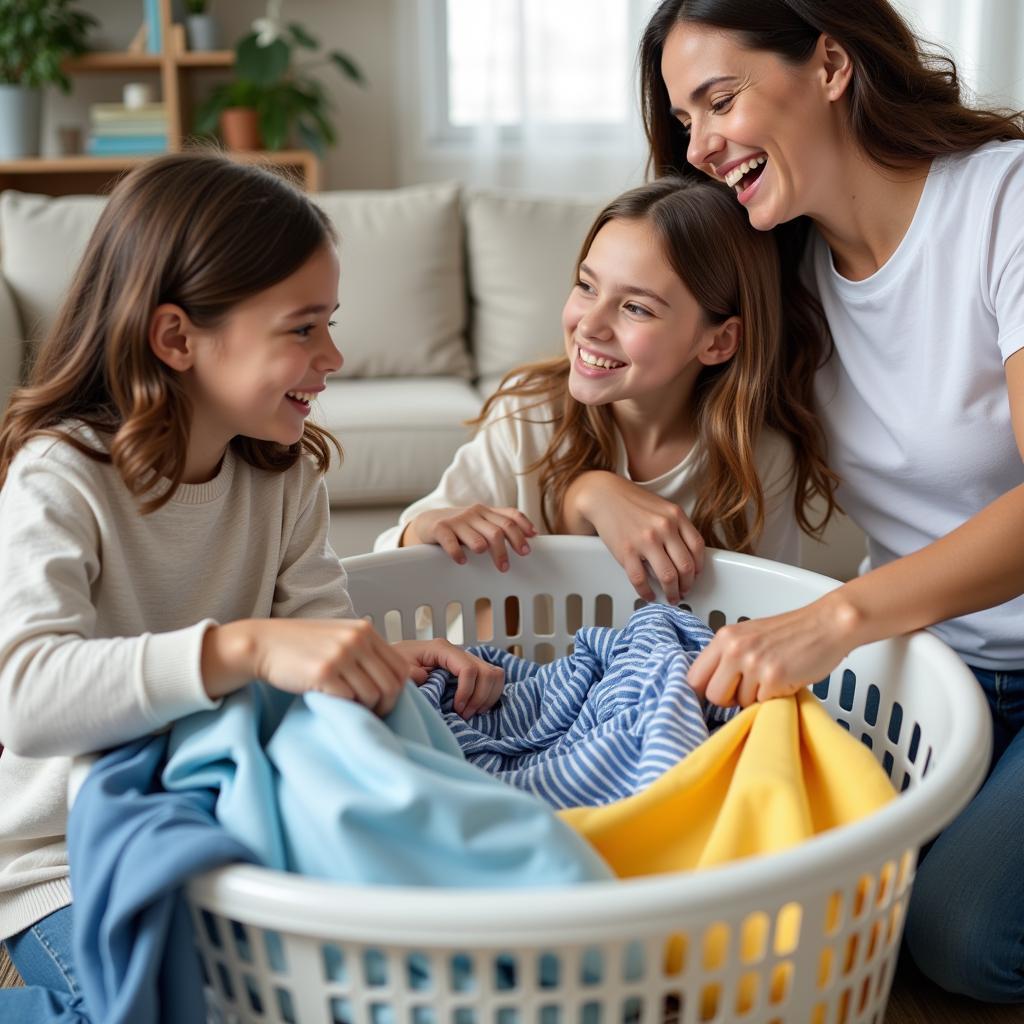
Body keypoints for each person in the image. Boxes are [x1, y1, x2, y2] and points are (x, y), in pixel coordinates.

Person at [0, 152, 503, 1017]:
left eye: (329, 324)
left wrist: (377, 662)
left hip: (234, 828)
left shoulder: (282, 476)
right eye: (303, 328)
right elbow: (29, 697)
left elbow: (312, 649)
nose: (334, 355)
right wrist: (243, 646)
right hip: (67, 858)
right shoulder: (61, 477)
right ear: (177, 338)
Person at [636, 0, 1024, 1004]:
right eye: (685, 121)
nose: (701, 144)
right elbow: (618, 382)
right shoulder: (781, 271)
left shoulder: (1001, 201)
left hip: (896, 629)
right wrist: (592, 488)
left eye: (719, 100)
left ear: (831, 65)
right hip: (937, 662)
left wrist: (837, 617)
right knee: (766, 894)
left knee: (960, 935)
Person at [375, 176, 838, 606]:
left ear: (717, 341)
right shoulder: (529, 414)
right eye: (586, 286)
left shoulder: (762, 458)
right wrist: (429, 526)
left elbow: (766, 612)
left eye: (635, 308)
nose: (590, 326)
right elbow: (390, 560)